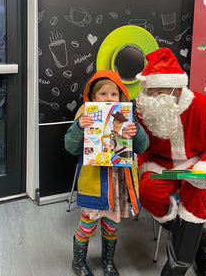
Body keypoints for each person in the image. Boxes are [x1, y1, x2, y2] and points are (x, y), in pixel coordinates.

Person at [135, 48, 206, 276]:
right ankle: (199, 242)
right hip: (162, 164)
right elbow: (143, 149)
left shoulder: (205, 107)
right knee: (147, 190)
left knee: (196, 194)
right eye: (149, 92)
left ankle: (176, 269)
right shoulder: (146, 111)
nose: (152, 98)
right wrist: (134, 163)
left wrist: (205, 168)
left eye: (159, 92)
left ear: (177, 88)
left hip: (196, 162)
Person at [65, 70, 149, 276]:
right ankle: (78, 262)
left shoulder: (126, 117)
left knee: (111, 225)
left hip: (117, 185)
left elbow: (143, 146)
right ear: (93, 97)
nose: (109, 98)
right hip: (94, 184)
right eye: (103, 94)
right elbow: (70, 146)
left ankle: (108, 262)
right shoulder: (84, 115)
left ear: (121, 96)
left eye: (114, 94)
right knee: (87, 225)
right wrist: (79, 127)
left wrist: (135, 132)